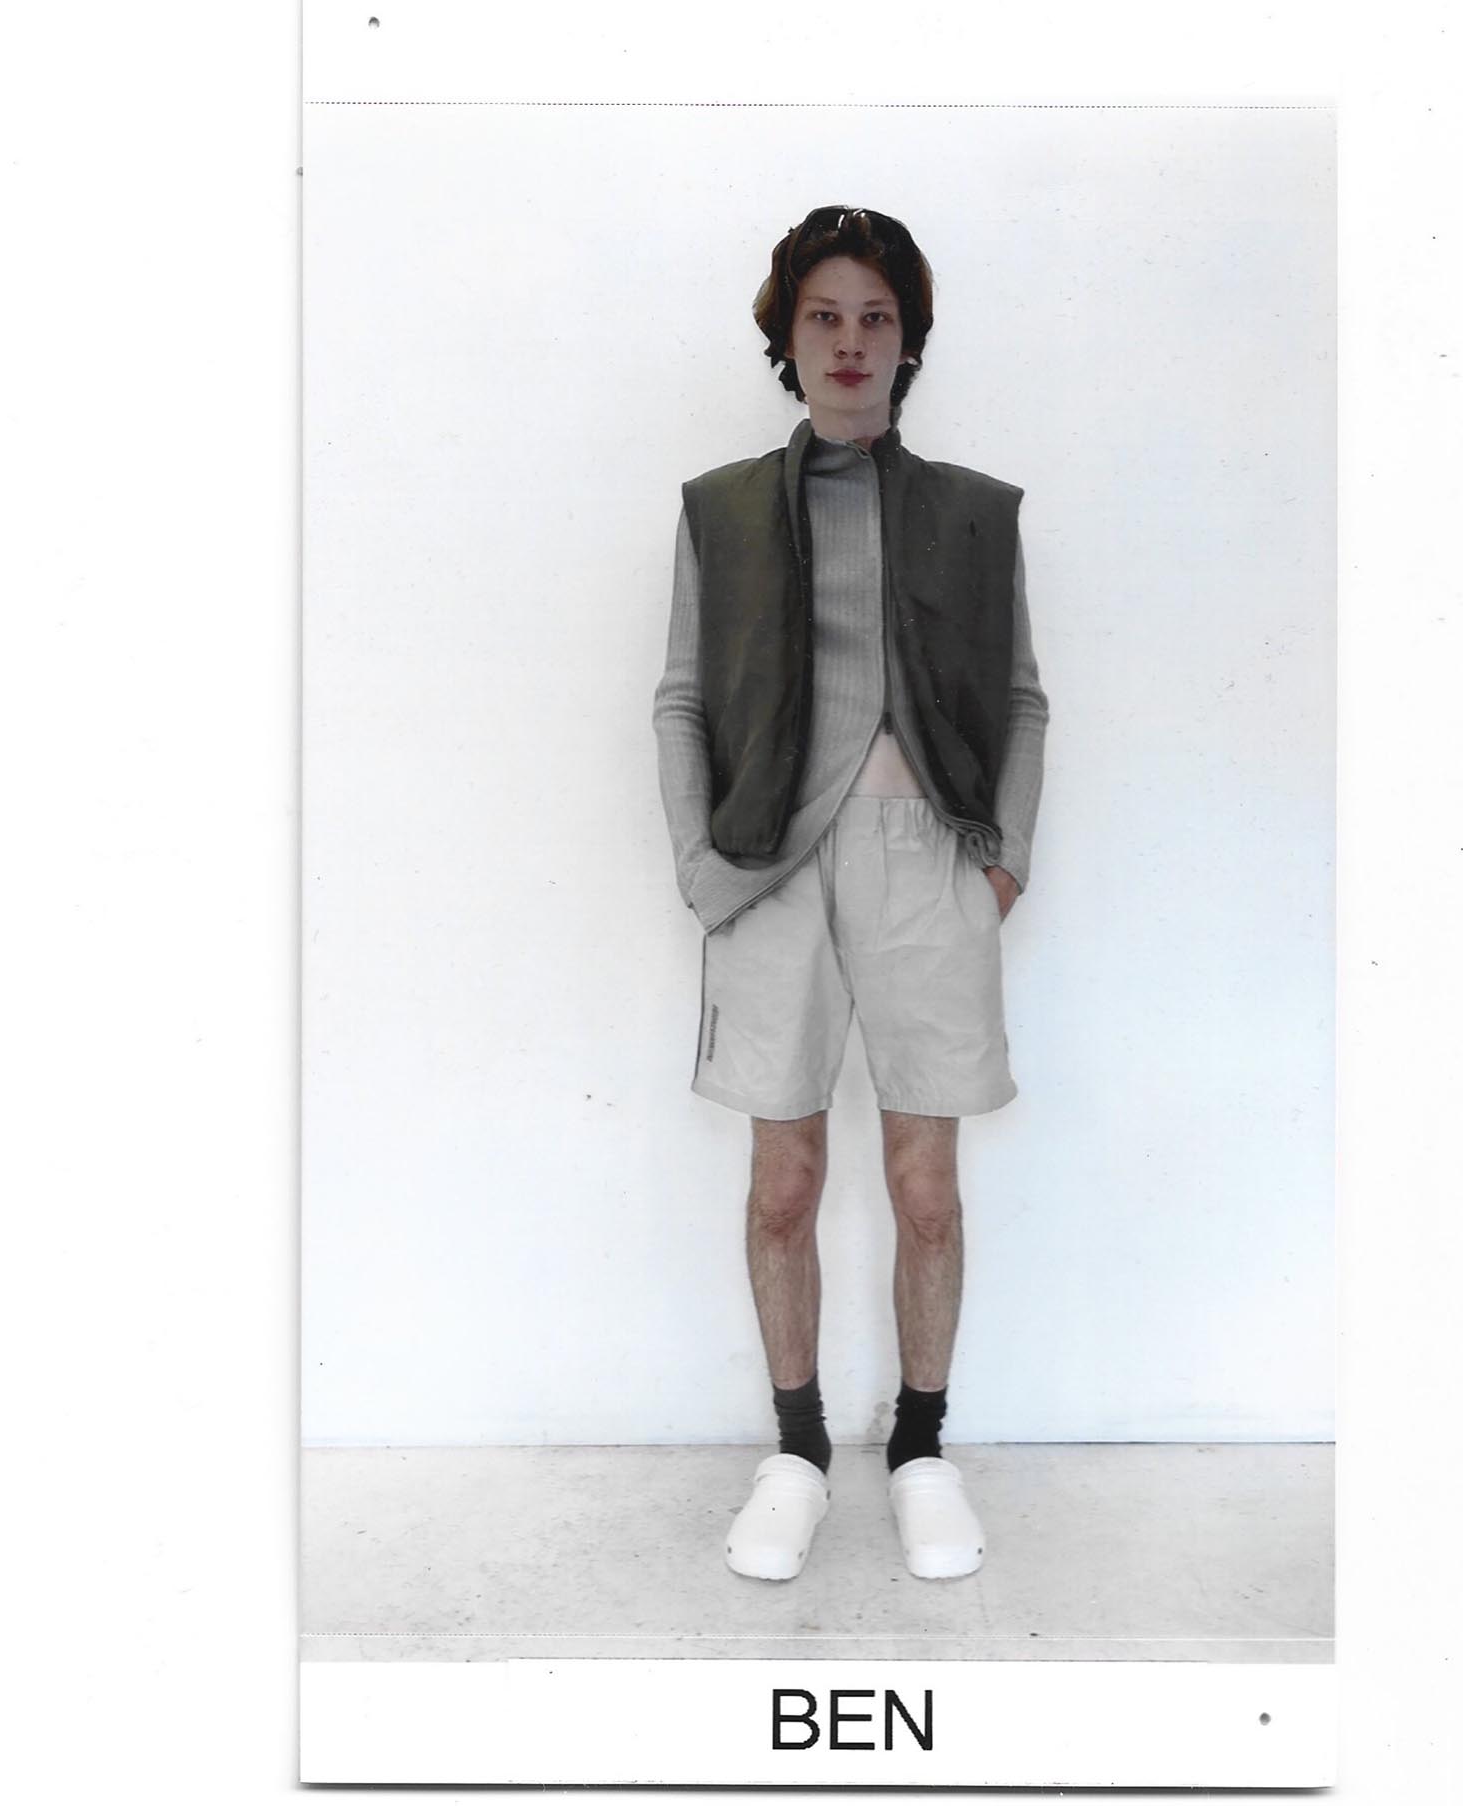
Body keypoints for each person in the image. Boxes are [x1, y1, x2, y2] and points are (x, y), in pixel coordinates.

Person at [651, 205, 1048, 1582]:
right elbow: (682, 697)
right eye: (823, 316)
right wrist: (702, 868)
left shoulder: (973, 513)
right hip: (768, 868)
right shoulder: (720, 508)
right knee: (785, 1181)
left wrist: (1001, 860)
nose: (850, 342)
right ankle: (798, 1453)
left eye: (876, 318)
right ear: (788, 336)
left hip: (926, 862)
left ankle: (922, 1448)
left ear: (906, 340)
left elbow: (1019, 696)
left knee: (925, 1183)